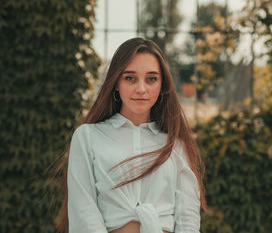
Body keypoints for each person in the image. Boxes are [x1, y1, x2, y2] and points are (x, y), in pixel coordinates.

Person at [56, 38, 207, 233]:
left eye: (151, 79)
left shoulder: (175, 145)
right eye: (130, 78)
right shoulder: (88, 137)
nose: (141, 89)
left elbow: (188, 218)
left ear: (162, 85)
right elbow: (84, 213)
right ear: (116, 82)